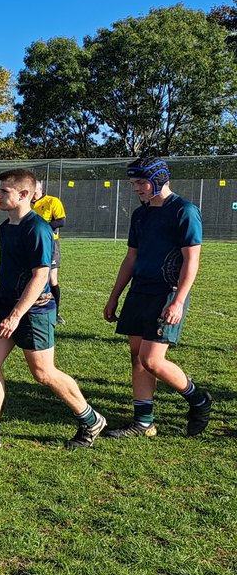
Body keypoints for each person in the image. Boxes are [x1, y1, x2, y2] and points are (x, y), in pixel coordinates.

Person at [0, 169, 106, 450]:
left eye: (4, 191)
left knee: (43, 373)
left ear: (24, 194)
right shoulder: (5, 227)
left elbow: (41, 276)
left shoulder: (38, 228)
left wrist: (16, 316)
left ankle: (91, 418)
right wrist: (7, 310)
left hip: (34, 310)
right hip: (3, 304)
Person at [103, 156, 210, 439]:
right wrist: (114, 296)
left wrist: (178, 300)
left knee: (152, 360)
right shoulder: (141, 214)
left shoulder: (184, 211)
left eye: (141, 182)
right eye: (134, 183)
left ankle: (199, 399)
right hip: (140, 291)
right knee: (137, 358)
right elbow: (131, 257)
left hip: (167, 293)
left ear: (159, 179)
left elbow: (192, 260)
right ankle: (143, 422)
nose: (136, 188)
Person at [31, 181, 66, 323]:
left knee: (51, 278)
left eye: (35, 191)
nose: (32, 195)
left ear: (41, 189)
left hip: (50, 244)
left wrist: (41, 227)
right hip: (31, 244)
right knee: (31, 277)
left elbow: (61, 222)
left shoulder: (52, 201)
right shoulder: (26, 204)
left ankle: (56, 313)